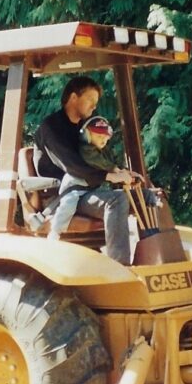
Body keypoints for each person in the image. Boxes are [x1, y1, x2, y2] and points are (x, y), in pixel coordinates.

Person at [33, 76, 137, 263]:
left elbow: (100, 157)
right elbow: (73, 167)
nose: (94, 106)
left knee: (143, 195)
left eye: (95, 102)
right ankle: (120, 266)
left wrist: (122, 172)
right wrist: (110, 176)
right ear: (73, 98)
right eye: (90, 100)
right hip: (63, 195)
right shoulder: (51, 127)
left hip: (88, 190)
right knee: (117, 199)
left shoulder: (85, 128)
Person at [48, 115, 124, 240]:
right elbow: (101, 163)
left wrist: (124, 173)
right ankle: (56, 231)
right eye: (99, 136)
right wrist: (116, 171)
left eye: (105, 138)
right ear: (86, 135)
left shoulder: (102, 150)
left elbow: (111, 162)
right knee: (68, 204)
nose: (103, 141)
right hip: (74, 186)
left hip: (89, 188)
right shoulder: (86, 150)